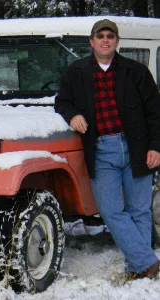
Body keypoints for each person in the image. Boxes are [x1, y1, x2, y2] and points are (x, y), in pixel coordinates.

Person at [55, 19, 160, 280]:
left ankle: (139, 269)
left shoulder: (135, 71)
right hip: (101, 150)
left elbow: (155, 113)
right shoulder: (76, 72)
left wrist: (155, 147)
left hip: (137, 147)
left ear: (116, 41)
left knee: (139, 210)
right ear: (91, 42)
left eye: (110, 36)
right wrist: (72, 115)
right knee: (111, 210)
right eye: (100, 36)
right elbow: (61, 101)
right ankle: (147, 260)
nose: (105, 40)